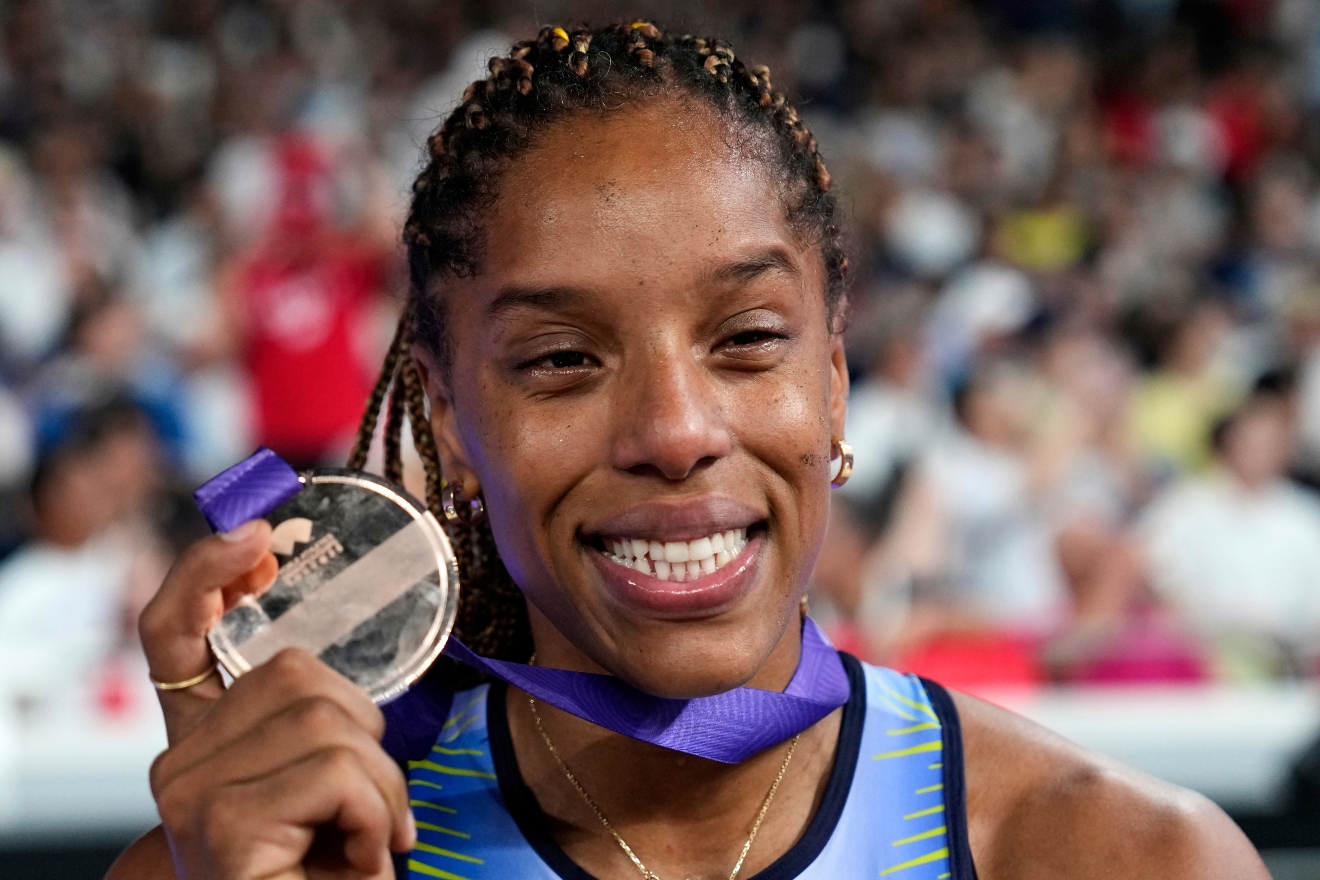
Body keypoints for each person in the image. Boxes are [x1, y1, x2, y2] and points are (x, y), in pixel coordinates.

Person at [108, 23, 1266, 880]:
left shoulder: (1125, 855)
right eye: (563, 358)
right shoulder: (247, 862)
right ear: (450, 418)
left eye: (748, 339)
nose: (675, 431)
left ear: (832, 382)